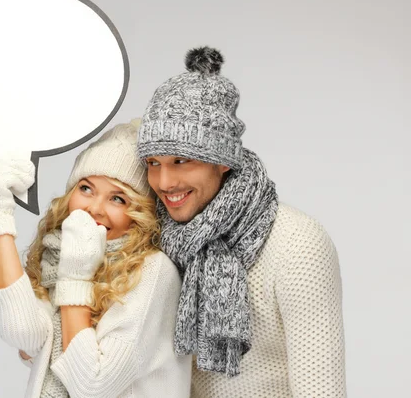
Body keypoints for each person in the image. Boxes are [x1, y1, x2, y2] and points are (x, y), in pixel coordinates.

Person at [136, 47, 346, 397]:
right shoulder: (152, 236)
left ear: (222, 161)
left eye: (182, 160)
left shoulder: (298, 244)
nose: (164, 182)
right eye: (152, 162)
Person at [0, 120, 191, 398]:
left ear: (141, 212)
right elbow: (23, 333)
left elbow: (92, 385)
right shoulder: (60, 253)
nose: (94, 209)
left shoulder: (152, 272)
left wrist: (76, 274)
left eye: (118, 199)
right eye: (86, 189)